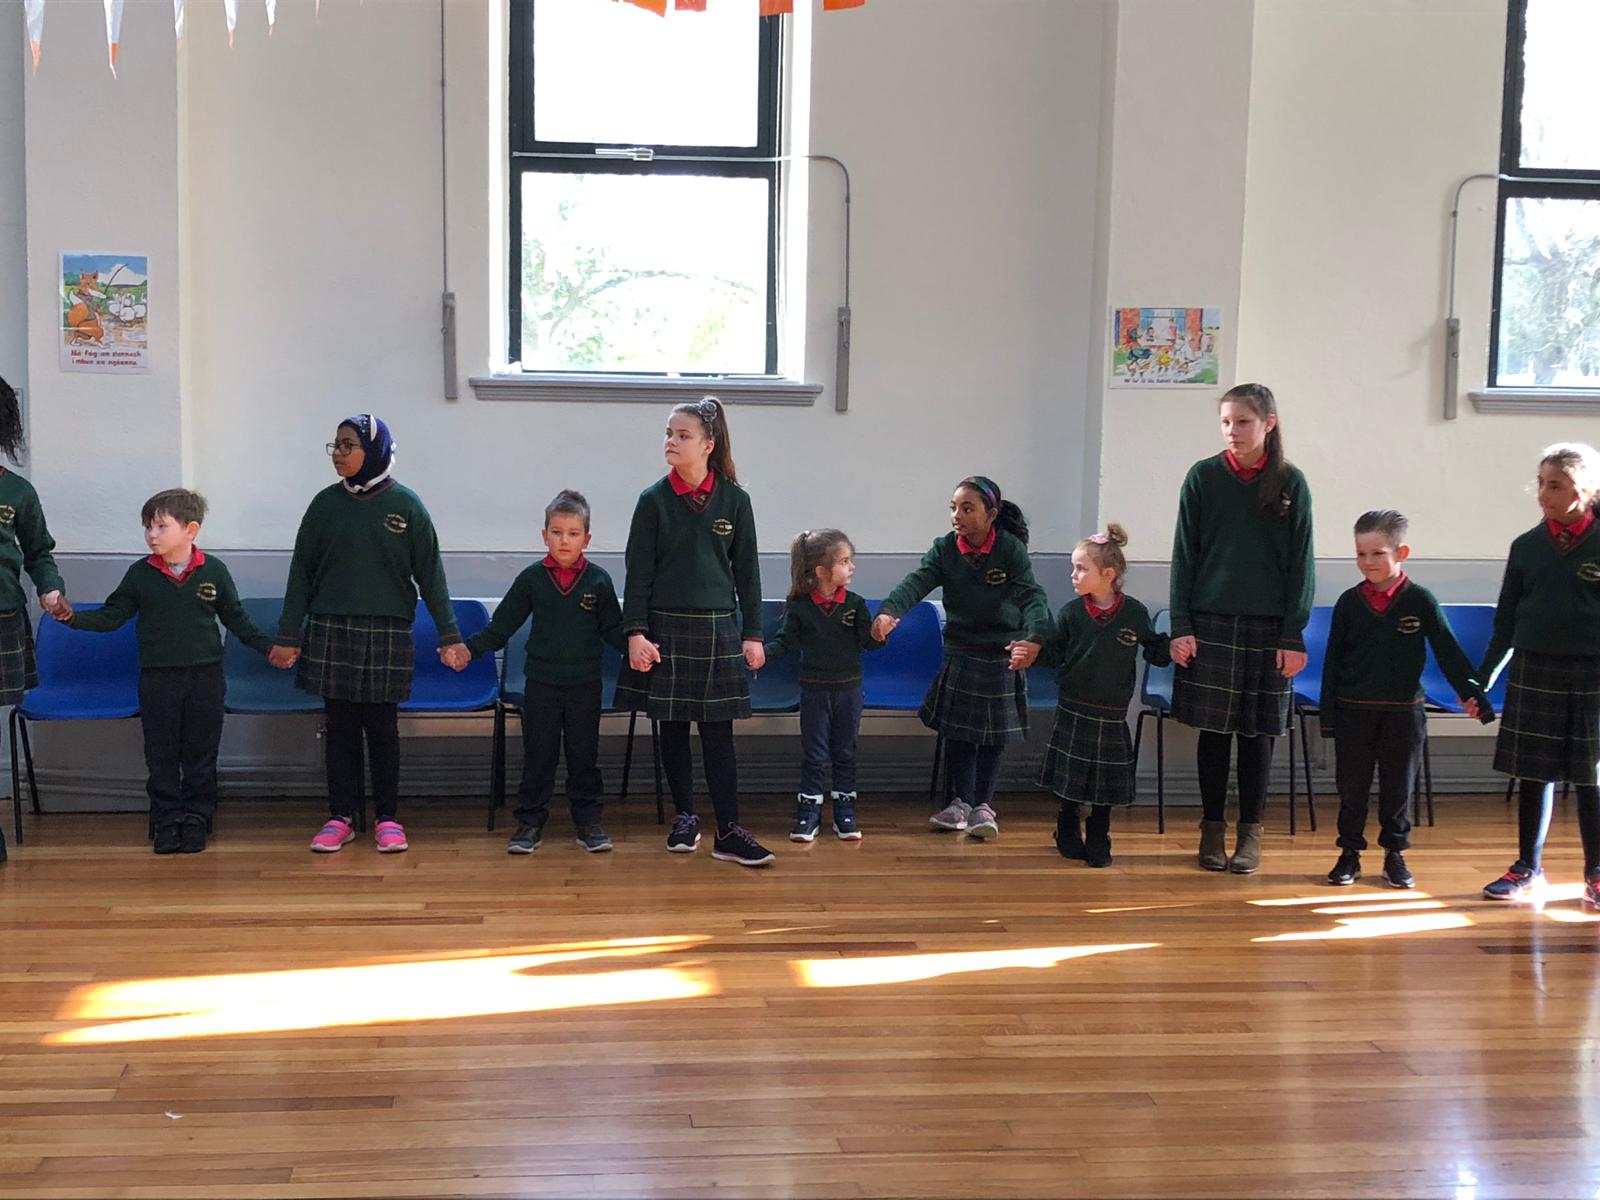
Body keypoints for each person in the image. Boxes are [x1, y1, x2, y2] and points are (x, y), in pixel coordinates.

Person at [270, 415, 461, 854]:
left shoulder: (407, 506)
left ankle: (388, 818)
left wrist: (450, 635)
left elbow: (431, 575)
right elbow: (301, 573)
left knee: (382, 728)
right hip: (331, 627)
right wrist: (288, 634)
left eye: (348, 445)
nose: (338, 454)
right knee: (339, 728)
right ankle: (340, 816)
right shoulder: (324, 506)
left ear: (374, 451)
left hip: (387, 630)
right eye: (335, 445)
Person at [60, 489, 276, 853]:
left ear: (191, 530)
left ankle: (196, 817)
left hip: (205, 677)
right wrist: (72, 617)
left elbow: (237, 620)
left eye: (161, 526)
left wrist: (269, 648)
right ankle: (165, 818)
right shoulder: (140, 574)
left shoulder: (214, 571)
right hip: (158, 678)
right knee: (161, 754)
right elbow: (112, 616)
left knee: (200, 752)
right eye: (148, 527)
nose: (152, 535)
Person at [615, 396, 775, 867]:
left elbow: (747, 574)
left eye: (682, 435)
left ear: (708, 444)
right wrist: (635, 632)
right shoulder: (652, 502)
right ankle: (685, 817)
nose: (671, 441)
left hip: (718, 629)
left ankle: (728, 830)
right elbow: (637, 574)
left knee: (718, 733)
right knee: (671, 729)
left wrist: (753, 633)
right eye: (668, 433)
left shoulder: (736, 501)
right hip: (664, 629)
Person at [1169, 383, 1314, 875]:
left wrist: (1292, 633)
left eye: (1244, 422)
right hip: (1211, 622)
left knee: (1258, 735)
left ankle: (1251, 833)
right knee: (1214, 733)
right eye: (1226, 422)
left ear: (1269, 423)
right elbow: (1184, 555)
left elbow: (1301, 564)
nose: (1233, 431)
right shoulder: (1203, 477)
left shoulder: (1291, 482)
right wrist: (1181, 625)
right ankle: (1211, 829)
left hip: (1270, 629)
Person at [443, 490, 624, 855]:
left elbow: (614, 631)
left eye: (573, 533)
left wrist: (640, 645)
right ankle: (529, 823)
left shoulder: (599, 581)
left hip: (585, 685)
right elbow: (501, 626)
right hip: (541, 684)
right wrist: (468, 649)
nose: (564, 540)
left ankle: (588, 822)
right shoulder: (531, 579)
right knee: (539, 755)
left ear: (586, 539)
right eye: (556, 532)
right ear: (544, 535)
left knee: (584, 756)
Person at [1319, 509, 1492, 889]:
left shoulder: (1420, 600)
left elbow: (1448, 651)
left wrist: (1471, 692)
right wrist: (1328, 717)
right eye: (1361, 554)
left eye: (1377, 553)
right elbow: (1332, 662)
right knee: (1352, 789)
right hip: (1354, 712)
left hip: (1403, 715)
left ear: (1402, 553)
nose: (1367, 562)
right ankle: (1349, 854)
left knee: (1398, 789)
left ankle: (1394, 855)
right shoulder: (1349, 603)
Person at [873, 476, 1050, 840]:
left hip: (1001, 653)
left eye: (967, 508)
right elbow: (916, 582)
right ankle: (960, 803)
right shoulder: (944, 549)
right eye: (953, 508)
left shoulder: (1010, 550)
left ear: (991, 515)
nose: (957, 516)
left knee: (993, 737)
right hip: (961, 650)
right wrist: (891, 612)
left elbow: (1032, 597)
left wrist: (1033, 637)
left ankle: (984, 806)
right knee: (958, 732)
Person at [1476, 443, 1600, 905]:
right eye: (1541, 484)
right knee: (1534, 771)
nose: (1543, 495)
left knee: (1592, 775)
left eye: (1556, 486)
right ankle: (1527, 868)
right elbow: (1506, 621)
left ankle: (1596, 873)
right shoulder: (1526, 547)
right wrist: (1483, 678)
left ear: (1584, 491)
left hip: (1593, 672)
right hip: (1536, 667)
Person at [1037, 524, 1169, 867]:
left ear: (1108, 575)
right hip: (1074, 706)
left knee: (1104, 781)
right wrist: (1031, 650)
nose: (1073, 575)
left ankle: (1099, 832)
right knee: (1072, 776)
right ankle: (1067, 825)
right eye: (1074, 568)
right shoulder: (1070, 613)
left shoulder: (1134, 613)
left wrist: (1174, 649)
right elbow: (1054, 654)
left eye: (1081, 568)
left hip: (1111, 712)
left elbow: (1154, 649)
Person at [764, 528, 883, 842]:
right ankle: (808, 812)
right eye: (844, 561)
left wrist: (879, 634)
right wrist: (763, 655)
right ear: (821, 571)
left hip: (849, 691)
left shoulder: (855, 604)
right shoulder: (800, 607)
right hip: (815, 691)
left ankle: (845, 811)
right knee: (814, 753)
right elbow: (784, 642)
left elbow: (868, 643)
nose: (851, 567)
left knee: (845, 750)